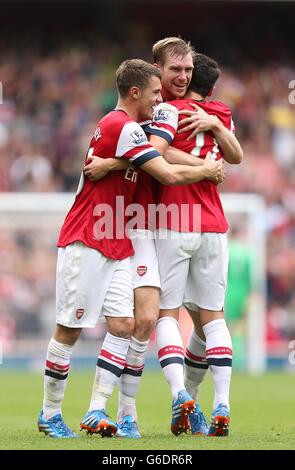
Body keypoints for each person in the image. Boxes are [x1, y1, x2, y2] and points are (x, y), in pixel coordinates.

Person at [38, 58, 223, 439]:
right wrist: (207, 170)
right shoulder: (121, 125)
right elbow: (165, 170)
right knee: (69, 328)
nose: (160, 99)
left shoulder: (131, 128)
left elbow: (148, 152)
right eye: (155, 92)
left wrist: (111, 163)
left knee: (126, 324)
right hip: (88, 235)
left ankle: (97, 412)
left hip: (120, 237)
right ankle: (50, 413)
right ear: (136, 91)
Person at [84, 38, 241, 438]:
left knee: (182, 321)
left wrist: (214, 137)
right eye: (175, 70)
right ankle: (123, 410)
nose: (182, 76)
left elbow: (161, 154)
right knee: (153, 318)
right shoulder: (160, 110)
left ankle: (183, 401)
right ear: (156, 71)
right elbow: (155, 154)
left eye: (188, 71)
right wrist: (208, 163)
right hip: (142, 221)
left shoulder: (183, 110)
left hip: (172, 222)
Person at [145, 52, 243, 437]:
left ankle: (179, 393)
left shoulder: (167, 110)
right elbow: (236, 157)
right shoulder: (221, 111)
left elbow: (160, 150)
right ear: (214, 87)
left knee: (167, 314)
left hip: (175, 218)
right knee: (212, 317)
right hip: (214, 223)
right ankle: (221, 402)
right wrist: (217, 129)